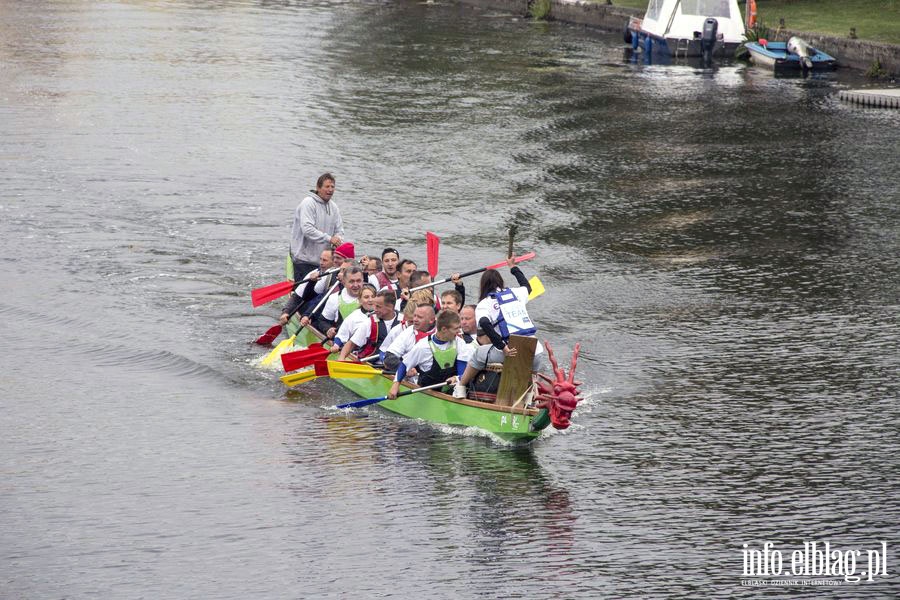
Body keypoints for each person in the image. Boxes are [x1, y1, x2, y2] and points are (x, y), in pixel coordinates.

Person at [474, 255, 543, 370]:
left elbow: (484, 323)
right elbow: (527, 286)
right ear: (500, 282)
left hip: (511, 352)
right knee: (531, 376)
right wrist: (513, 267)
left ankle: (461, 386)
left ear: (483, 286)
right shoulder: (516, 293)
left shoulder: (484, 304)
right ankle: (533, 383)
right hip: (536, 351)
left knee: (477, 355)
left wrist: (502, 347)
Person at [388, 310, 474, 399]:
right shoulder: (423, 347)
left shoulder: (459, 343)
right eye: (456, 329)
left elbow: (462, 372)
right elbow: (404, 365)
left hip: (451, 392)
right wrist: (396, 384)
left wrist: (457, 378)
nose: (459, 332)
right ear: (444, 329)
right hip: (426, 393)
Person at [289, 172, 344, 282]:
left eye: (332, 187)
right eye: (327, 186)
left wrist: (338, 240)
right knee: (303, 296)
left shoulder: (334, 207)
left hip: (324, 262)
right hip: (304, 261)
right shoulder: (308, 203)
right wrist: (329, 239)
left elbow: (339, 230)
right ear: (318, 188)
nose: (330, 189)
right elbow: (308, 230)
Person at [302, 265, 365, 340]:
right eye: (351, 281)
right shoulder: (334, 298)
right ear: (344, 282)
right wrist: (328, 329)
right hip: (342, 343)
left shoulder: (371, 296)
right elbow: (322, 321)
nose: (355, 285)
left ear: (363, 280)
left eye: (358, 281)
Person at [339, 290, 401, 361]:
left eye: (378, 306)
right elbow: (351, 344)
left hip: (396, 365)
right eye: (374, 306)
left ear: (390, 307)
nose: (375, 309)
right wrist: (341, 358)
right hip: (370, 364)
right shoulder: (369, 322)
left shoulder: (404, 321)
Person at [453, 328, 512, 401]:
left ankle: (461, 386)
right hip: (526, 350)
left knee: (480, 353)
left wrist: (457, 378)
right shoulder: (469, 349)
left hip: (511, 350)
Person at [279, 248, 333, 325]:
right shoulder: (313, 273)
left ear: (334, 262)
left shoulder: (338, 276)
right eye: (320, 259)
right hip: (311, 313)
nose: (321, 263)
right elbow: (296, 297)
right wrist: (286, 312)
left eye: (325, 260)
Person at [381, 304, 436, 372]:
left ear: (431, 320)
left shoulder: (441, 332)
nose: (415, 320)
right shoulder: (409, 331)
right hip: (409, 378)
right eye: (414, 316)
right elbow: (389, 358)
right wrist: (404, 369)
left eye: (419, 317)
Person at [331, 284, 377, 353]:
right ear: (359, 300)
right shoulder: (353, 317)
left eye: (373, 297)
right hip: (358, 353)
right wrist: (336, 345)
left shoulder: (382, 314)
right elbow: (341, 335)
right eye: (366, 297)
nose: (370, 300)